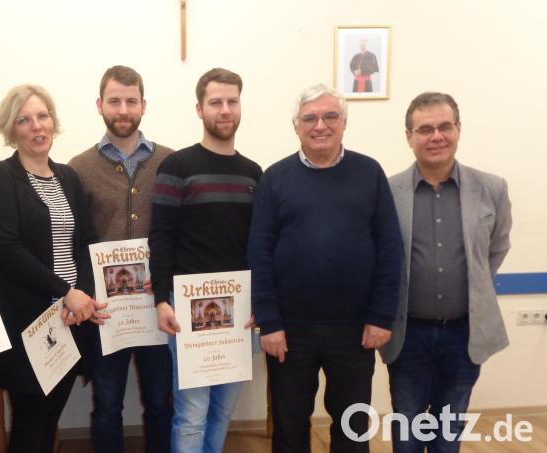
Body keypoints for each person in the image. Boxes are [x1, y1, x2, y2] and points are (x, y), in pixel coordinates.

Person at [247, 84, 402, 453]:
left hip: (355, 329)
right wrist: (270, 323)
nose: (320, 125)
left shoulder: (370, 173)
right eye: (310, 118)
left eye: (330, 116)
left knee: (353, 421)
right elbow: (259, 252)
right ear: (296, 126)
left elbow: (389, 248)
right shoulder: (275, 178)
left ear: (344, 122)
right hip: (289, 331)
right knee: (289, 420)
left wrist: (381, 317)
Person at [380, 92, 512, 452]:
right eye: (425, 129)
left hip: (464, 335)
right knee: (407, 424)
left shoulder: (492, 188)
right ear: (409, 136)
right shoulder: (388, 192)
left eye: (444, 126)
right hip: (408, 335)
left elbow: (495, 249)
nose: (436, 136)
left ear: (458, 129)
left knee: (449, 429)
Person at [0, 84, 108, 453]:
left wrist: (79, 297)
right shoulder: (2, 176)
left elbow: (85, 241)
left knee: (50, 417)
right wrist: (65, 291)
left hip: (70, 319)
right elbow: (6, 248)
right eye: (24, 119)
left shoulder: (68, 176)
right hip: (29, 323)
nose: (37, 126)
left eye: (42, 115)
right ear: (12, 129)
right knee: (29, 421)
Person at [149, 68, 262, 453]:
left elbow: (259, 245)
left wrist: (261, 301)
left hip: (240, 312)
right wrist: (161, 300)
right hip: (187, 309)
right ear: (200, 109)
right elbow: (160, 236)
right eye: (216, 102)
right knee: (191, 414)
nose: (225, 110)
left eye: (232, 101)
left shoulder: (253, 174)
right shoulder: (177, 167)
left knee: (222, 411)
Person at [69, 65, 173, 453]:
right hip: (105, 310)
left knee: (160, 401)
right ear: (100, 105)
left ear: (143, 105)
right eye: (115, 101)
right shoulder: (77, 168)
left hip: (156, 306)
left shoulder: (170, 162)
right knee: (107, 404)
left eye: (131, 101)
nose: (123, 109)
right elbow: (75, 238)